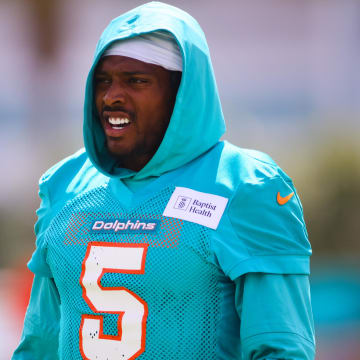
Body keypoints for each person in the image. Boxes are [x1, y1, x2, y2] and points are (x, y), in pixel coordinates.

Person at [13, 2, 315, 359]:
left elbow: (281, 349)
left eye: (136, 80)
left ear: (182, 93)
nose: (112, 96)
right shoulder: (65, 186)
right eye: (103, 81)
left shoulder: (246, 187)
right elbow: (39, 346)